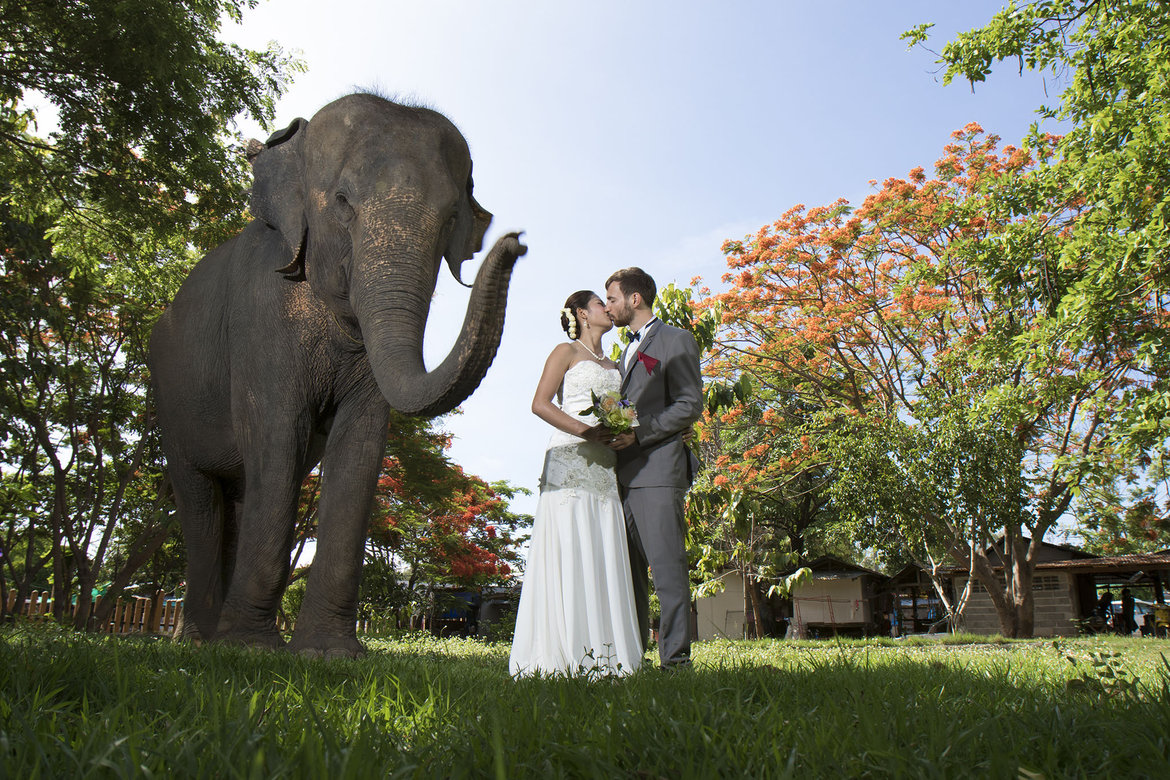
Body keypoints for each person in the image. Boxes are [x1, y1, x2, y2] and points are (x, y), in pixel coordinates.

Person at [509, 291, 643, 677]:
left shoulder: (616, 363)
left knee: (601, 548)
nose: (608, 308)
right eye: (602, 303)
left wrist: (625, 431)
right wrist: (587, 431)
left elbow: (624, 410)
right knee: (569, 546)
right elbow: (540, 403)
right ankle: (559, 652)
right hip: (570, 458)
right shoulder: (565, 352)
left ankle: (606, 653)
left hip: (605, 464)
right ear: (584, 313)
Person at [601, 267, 703, 669]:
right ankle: (633, 659)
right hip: (616, 479)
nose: (608, 307)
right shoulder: (620, 354)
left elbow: (688, 404)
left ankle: (675, 662)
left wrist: (639, 435)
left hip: (658, 472)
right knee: (629, 579)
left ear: (634, 299)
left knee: (668, 571)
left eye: (611, 299)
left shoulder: (676, 340)